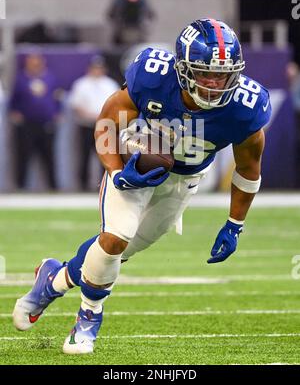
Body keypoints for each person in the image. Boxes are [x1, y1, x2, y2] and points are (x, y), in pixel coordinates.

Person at [13, 19, 271, 354]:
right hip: (137, 161)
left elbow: (249, 166)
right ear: (182, 69)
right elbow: (107, 121)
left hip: (183, 182)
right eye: (205, 72)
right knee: (115, 239)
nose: (214, 83)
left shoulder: (245, 107)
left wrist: (235, 225)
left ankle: (54, 278)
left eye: (222, 74)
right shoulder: (153, 77)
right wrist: (118, 171)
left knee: (119, 252)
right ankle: (88, 319)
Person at [9, 53, 61, 190]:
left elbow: (57, 97)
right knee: (24, 155)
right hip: (27, 124)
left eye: (37, 62)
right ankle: (21, 186)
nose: (35, 65)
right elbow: (14, 100)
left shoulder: (50, 78)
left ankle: (53, 186)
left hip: (46, 123)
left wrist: (57, 112)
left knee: (49, 155)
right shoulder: (21, 79)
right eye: (32, 62)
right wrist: (15, 113)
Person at [69, 57, 119, 190]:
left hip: (105, 127)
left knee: (105, 157)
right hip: (87, 125)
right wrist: (92, 116)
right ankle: (83, 185)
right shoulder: (81, 84)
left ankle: (103, 185)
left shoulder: (110, 84)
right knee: (84, 155)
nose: (97, 71)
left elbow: (116, 105)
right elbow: (76, 105)